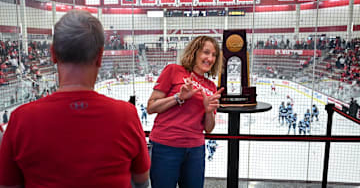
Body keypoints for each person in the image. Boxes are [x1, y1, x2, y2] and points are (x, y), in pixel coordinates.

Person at [0, 10, 150, 188]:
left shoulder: (21, 119)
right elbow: (141, 181)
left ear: (53, 54)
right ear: (100, 56)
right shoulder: (126, 115)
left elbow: (8, 185)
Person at [147, 35, 224, 188]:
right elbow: (151, 106)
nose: (210, 58)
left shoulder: (211, 87)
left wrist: (209, 111)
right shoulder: (173, 70)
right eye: (206, 52)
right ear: (194, 52)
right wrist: (178, 97)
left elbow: (208, 128)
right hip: (166, 147)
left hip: (195, 149)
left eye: (214, 55)